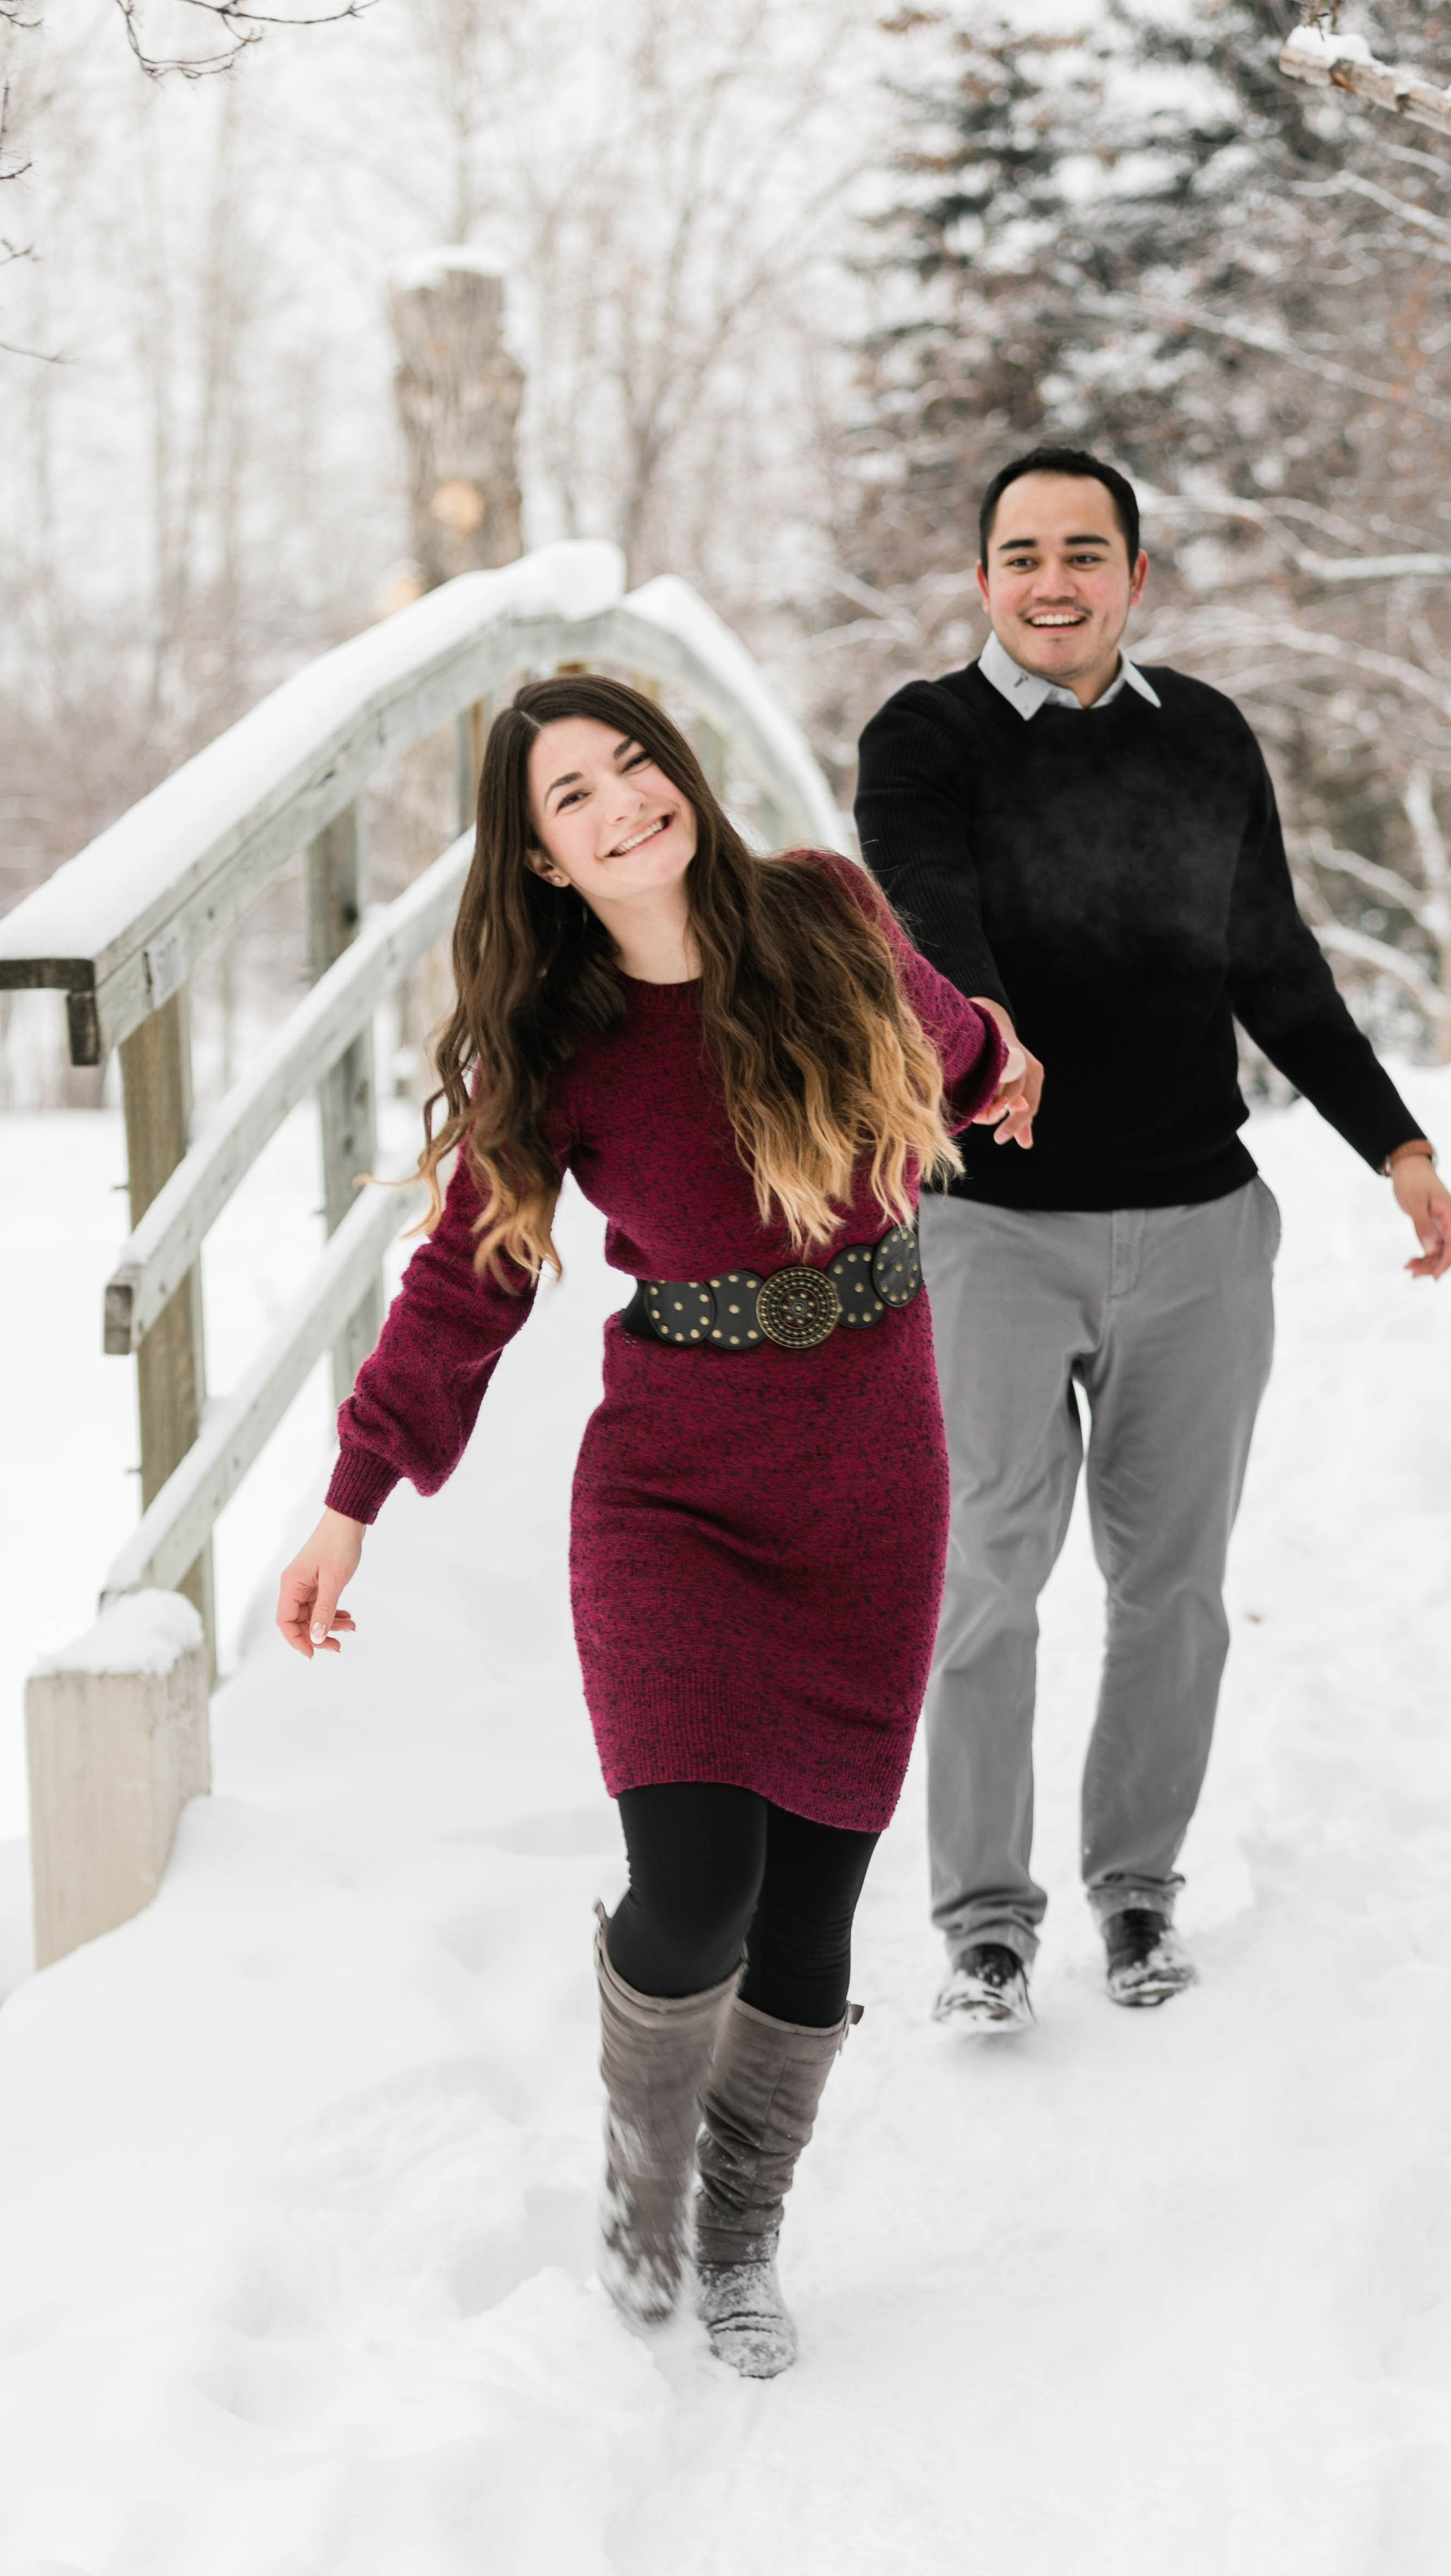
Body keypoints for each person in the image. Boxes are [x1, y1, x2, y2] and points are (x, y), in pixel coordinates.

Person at [275, 675, 1030, 2373]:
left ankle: (739, 2233)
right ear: (538, 858)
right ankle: (643, 2161)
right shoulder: (560, 1040)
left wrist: (997, 1051)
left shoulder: (821, 913)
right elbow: (466, 1276)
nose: (622, 806)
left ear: (677, 773)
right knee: (692, 1889)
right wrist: (352, 1497)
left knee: (816, 1911)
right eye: (572, 799)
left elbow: (943, 1037)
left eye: (633, 766)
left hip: (869, 1471)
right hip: (672, 1485)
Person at [854, 445, 1451, 2033]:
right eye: (1018, 553)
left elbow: (1271, 958)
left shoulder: (1203, 737)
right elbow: (923, 906)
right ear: (979, 578)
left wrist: (1388, 1139)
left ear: (1134, 572)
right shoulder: (924, 737)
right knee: (987, 1573)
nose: (1049, 579)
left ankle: (1135, 1893)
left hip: (1197, 1225)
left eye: (1082, 550)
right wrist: (982, 1021)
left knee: (1171, 1585)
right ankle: (982, 1923)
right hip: (989, 1234)